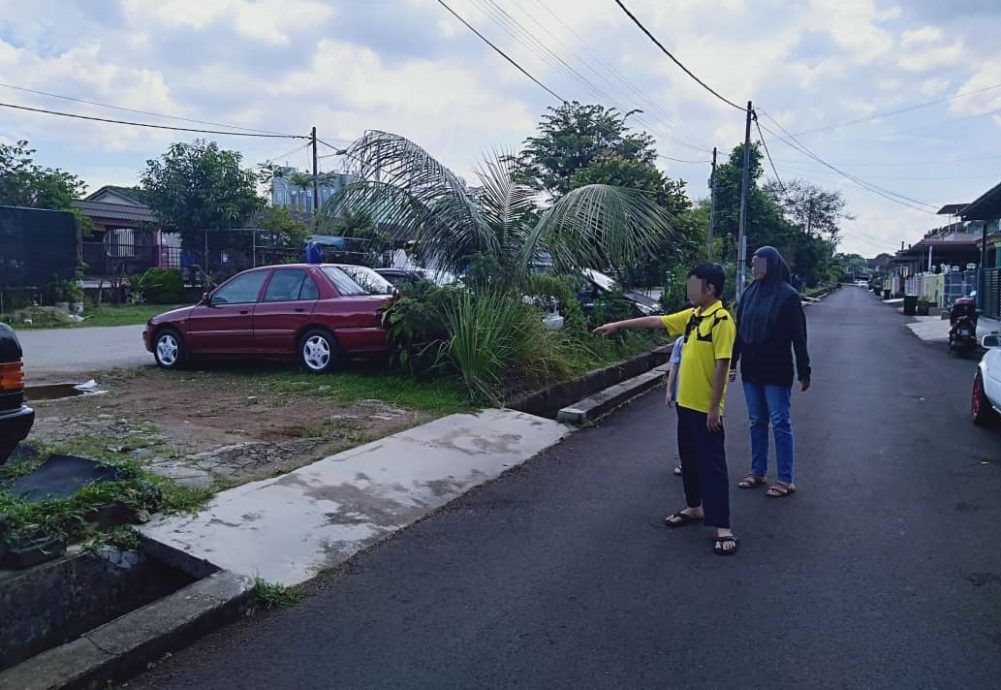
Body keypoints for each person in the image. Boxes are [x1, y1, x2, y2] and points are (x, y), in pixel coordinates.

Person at [596, 264, 738, 555]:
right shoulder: (693, 316)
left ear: (710, 288)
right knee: (689, 460)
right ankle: (694, 507)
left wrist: (714, 408)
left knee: (713, 467)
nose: (689, 291)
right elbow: (657, 321)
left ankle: (723, 527)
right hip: (685, 405)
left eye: (694, 285)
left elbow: (722, 366)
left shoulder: (721, 320)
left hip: (706, 409)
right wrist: (619, 325)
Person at [731, 246, 811, 498]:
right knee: (756, 421)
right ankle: (757, 471)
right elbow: (739, 331)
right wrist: (732, 363)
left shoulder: (788, 296)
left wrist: (804, 370)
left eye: (759, 263)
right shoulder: (749, 293)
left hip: (777, 369)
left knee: (779, 422)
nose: (754, 267)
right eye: (753, 263)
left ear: (772, 265)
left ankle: (786, 479)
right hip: (751, 367)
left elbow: (799, 336)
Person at [665, 335, 684, 476]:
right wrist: (669, 390)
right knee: (684, 430)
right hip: (682, 394)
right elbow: (674, 366)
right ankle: (686, 462)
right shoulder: (680, 341)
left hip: (695, 395)